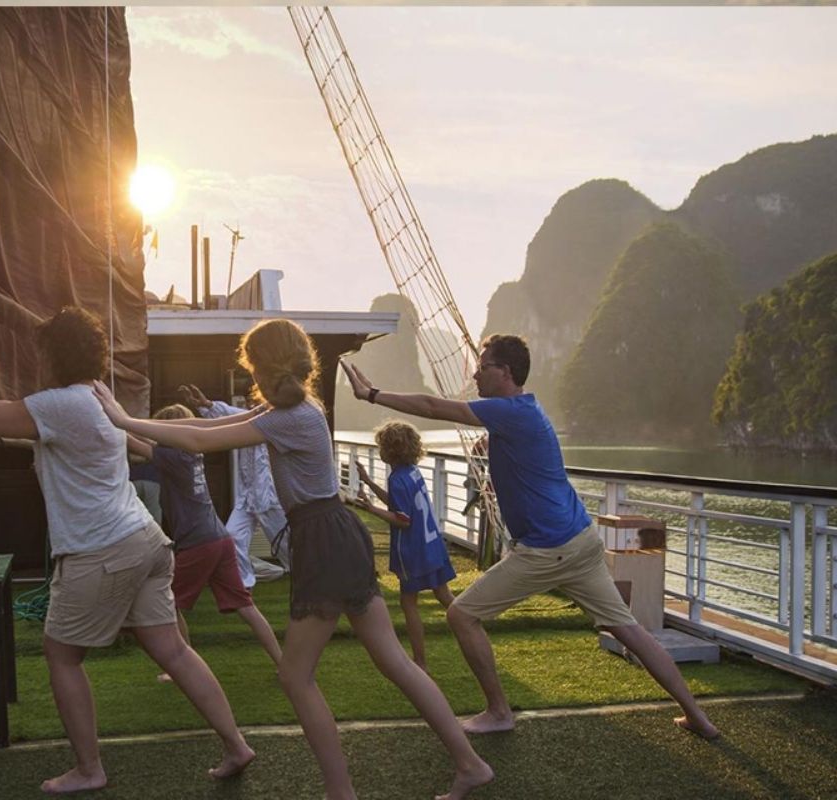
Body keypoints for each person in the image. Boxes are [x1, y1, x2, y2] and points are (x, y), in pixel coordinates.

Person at [93, 319, 493, 800]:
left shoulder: (291, 417)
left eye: (253, 369)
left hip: (323, 538)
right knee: (394, 662)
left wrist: (123, 420)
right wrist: (130, 420)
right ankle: (468, 764)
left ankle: (342, 791)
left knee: (296, 675)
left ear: (265, 367)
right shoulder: (295, 411)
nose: (250, 379)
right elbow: (207, 425)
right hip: (337, 534)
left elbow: (201, 441)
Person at [0, 306, 254, 794]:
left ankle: (89, 769)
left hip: (102, 547)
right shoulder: (94, 396)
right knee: (173, 649)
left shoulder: (60, 403)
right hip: (145, 539)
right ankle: (236, 744)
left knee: (61, 655)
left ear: (53, 355)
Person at [341, 334, 720, 741]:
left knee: (462, 615)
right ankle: (698, 716)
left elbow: (434, 407)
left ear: (504, 373)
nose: (475, 372)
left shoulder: (509, 412)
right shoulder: (525, 410)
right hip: (580, 539)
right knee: (629, 629)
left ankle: (499, 711)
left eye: (483, 366)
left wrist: (372, 394)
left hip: (548, 548)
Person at [126, 404, 282, 682]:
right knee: (246, 607)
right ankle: (284, 662)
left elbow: (134, 444)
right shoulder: (190, 453)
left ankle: (180, 667)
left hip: (199, 542)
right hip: (220, 538)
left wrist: (107, 417)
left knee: (167, 602)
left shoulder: (170, 456)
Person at [351, 420, 456, 671]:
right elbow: (399, 505)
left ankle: (420, 660)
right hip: (432, 545)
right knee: (444, 595)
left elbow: (402, 520)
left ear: (388, 450)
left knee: (408, 603)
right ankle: (473, 628)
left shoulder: (397, 478)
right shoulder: (412, 472)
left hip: (413, 550)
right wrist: (369, 481)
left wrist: (370, 508)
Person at [180, 383, 290, 583]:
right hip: (247, 496)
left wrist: (208, 405)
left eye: (256, 401)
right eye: (251, 402)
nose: (252, 404)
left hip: (269, 497)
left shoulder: (274, 423)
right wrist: (206, 404)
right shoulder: (248, 420)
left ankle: (305, 573)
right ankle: (244, 583)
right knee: (232, 537)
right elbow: (228, 416)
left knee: (286, 545)